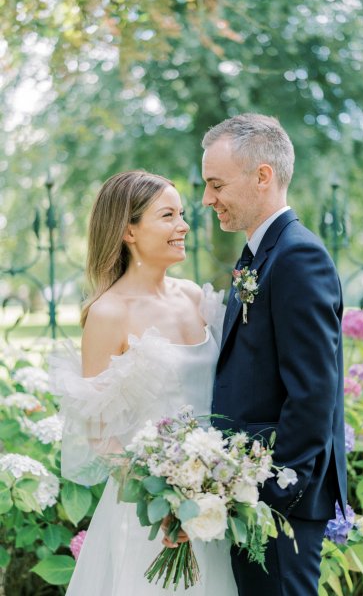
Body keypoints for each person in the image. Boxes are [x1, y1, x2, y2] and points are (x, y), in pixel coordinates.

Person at [49, 171, 237, 595]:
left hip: (213, 506)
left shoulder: (194, 297)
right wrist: (167, 501)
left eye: (182, 215)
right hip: (149, 514)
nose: (184, 226)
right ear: (128, 230)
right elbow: (100, 432)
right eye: (167, 216)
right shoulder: (109, 312)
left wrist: (210, 491)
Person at [201, 113, 347, 596]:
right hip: (250, 495)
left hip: (277, 505)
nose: (208, 199)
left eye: (216, 184)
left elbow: (313, 393)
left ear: (262, 176)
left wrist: (273, 494)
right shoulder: (261, 255)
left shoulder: (298, 257)